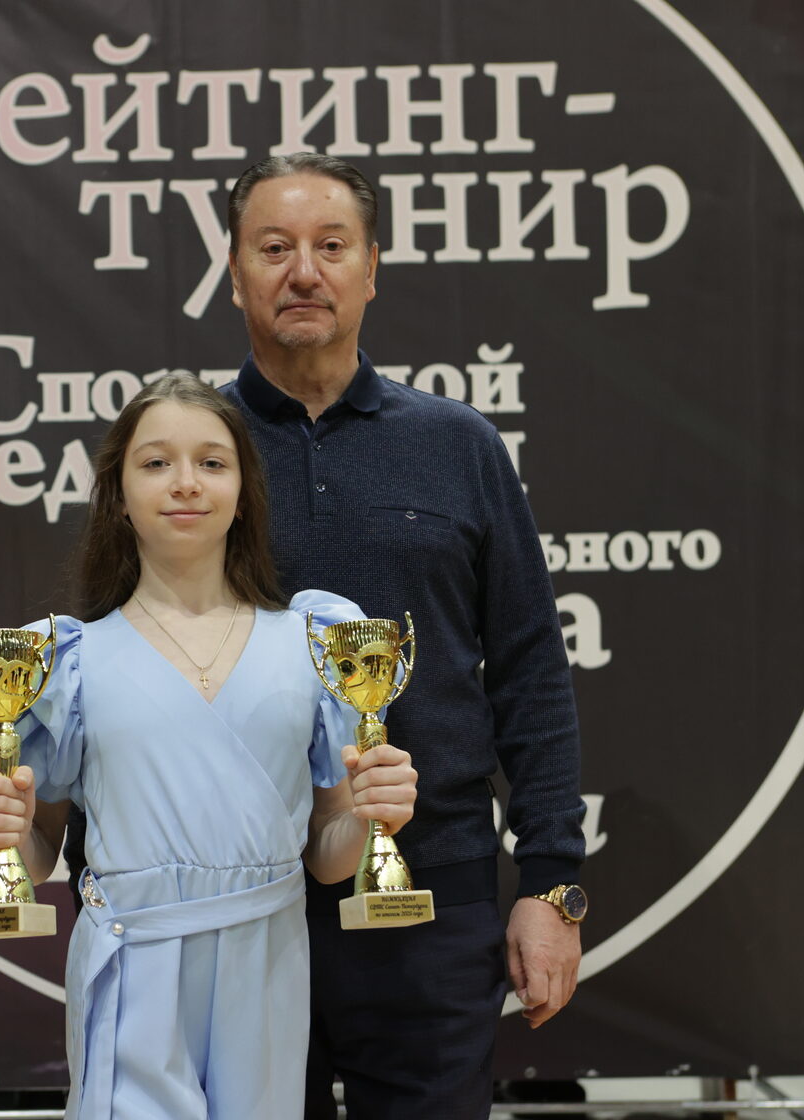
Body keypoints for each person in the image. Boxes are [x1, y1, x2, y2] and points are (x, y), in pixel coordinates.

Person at [220, 153, 589, 1119]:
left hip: (434, 891)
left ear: (372, 268)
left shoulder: (457, 444)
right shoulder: (187, 453)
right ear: (235, 273)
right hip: (232, 899)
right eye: (275, 248)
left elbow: (530, 670)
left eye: (332, 246)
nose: (305, 272)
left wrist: (551, 883)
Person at [0, 373, 419, 1119]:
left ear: (243, 491)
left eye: (211, 462)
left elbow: (328, 856)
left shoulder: (311, 644)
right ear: (119, 494)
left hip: (268, 964)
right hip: (132, 963)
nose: (185, 483)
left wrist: (373, 820)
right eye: (155, 462)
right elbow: (39, 854)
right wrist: (5, 834)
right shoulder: (69, 662)